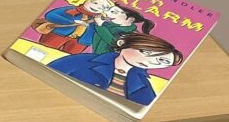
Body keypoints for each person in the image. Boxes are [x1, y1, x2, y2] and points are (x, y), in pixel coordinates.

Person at [48, 32, 184, 106]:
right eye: (147, 52)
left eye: (163, 61)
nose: (152, 61)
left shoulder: (142, 83)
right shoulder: (82, 61)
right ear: (122, 43)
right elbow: (49, 75)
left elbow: (144, 109)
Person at [33, 0, 116, 54]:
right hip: (59, 33)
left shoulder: (100, 20)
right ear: (85, 0)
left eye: (104, 7)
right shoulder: (71, 9)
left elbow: (104, 33)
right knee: (43, 50)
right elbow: (51, 15)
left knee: (67, 57)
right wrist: (70, 22)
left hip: (81, 41)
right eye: (95, 2)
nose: (98, 7)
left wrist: (100, 24)